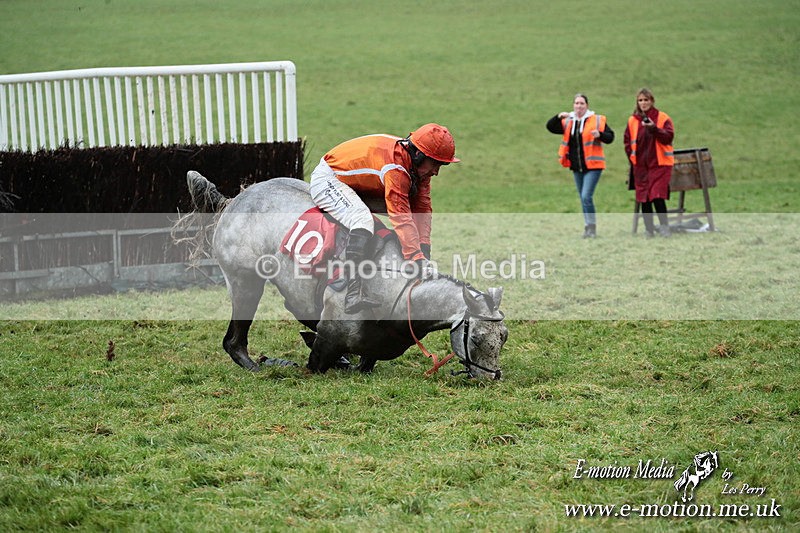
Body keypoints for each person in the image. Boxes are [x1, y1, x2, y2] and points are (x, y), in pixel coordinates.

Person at [309, 123, 459, 313]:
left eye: (441, 165)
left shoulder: (417, 167)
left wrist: (424, 252)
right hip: (329, 179)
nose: (436, 171)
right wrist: (416, 258)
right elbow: (401, 217)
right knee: (362, 221)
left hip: (358, 185)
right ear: (420, 155)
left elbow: (422, 209)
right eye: (436, 164)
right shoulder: (395, 168)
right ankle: (352, 293)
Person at [546, 93, 614, 238]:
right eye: (576, 103)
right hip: (577, 166)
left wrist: (600, 135)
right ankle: (587, 227)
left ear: (587, 106)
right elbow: (550, 127)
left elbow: (610, 137)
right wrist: (558, 116)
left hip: (593, 165)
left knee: (586, 196)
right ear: (573, 105)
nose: (579, 106)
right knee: (583, 197)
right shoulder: (568, 121)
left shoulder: (596, 120)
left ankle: (592, 228)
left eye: (582, 103)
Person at [624, 88, 675, 237]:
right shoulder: (632, 120)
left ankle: (664, 226)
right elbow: (627, 141)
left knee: (657, 195)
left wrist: (654, 129)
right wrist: (632, 159)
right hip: (640, 166)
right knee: (644, 197)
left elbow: (668, 137)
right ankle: (649, 229)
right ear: (637, 103)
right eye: (640, 100)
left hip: (660, 164)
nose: (643, 103)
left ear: (652, 101)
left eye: (646, 100)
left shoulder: (662, 117)